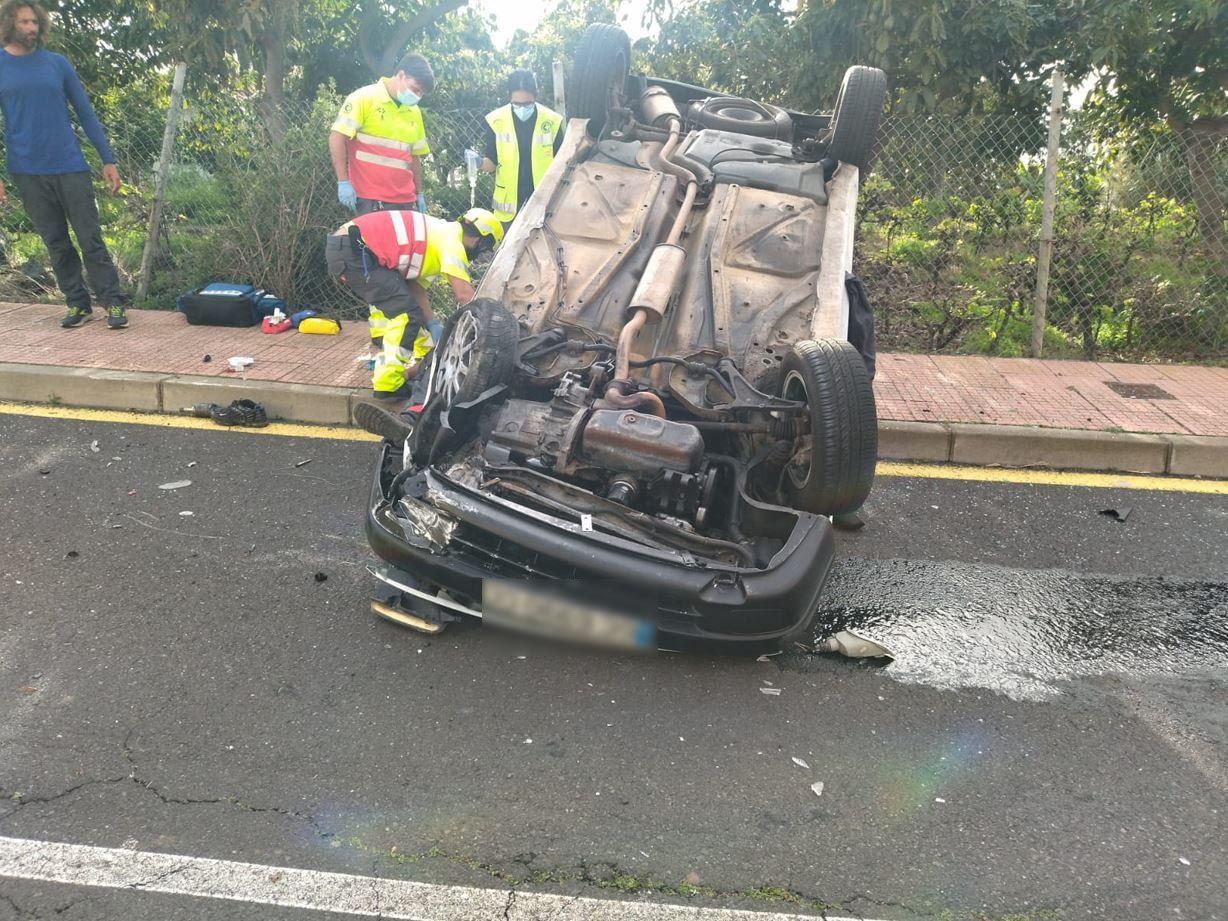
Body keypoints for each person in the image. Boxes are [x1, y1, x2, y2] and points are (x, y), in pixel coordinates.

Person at [0, 0, 127, 329]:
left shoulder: (56, 64)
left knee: (90, 238)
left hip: (70, 165)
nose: (31, 28)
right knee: (56, 242)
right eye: (24, 22)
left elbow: (86, 112)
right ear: (8, 24)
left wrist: (107, 159)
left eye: (35, 22)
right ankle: (77, 304)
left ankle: (113, 303)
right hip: (26, 170)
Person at [326, 207, 504, 400]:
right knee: (406, 315)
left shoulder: (439, 236)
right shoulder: (453, 243)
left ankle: (424, 357)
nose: (479, 255)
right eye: (484, 249)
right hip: (354, 251)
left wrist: (432, 324)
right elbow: (464, 295)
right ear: (480, 241)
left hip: (349, 248)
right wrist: (495, 324)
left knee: (407, 308)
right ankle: (387, 385)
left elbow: (415, 288)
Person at [330, 54, 434, 218]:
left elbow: (414, 157)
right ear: (401, 75)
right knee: (373, 244)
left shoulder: (414, 112)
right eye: (415, 88)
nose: (417, 96)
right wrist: (343, 181)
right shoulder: (364, 98)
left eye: (421, 93)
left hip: (406, 200)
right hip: (370, 200)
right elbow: (337, 136)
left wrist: (419, 193)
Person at [481, 69, 564, 224]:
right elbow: (491, 163)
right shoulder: (496, 121)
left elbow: (561, 164)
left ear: (535, 96)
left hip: (543, 203)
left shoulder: (552, 122)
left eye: (527, 104)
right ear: (509, 98)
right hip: (509, 208)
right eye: (517, 104)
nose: (522, 108)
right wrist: (478, 163)